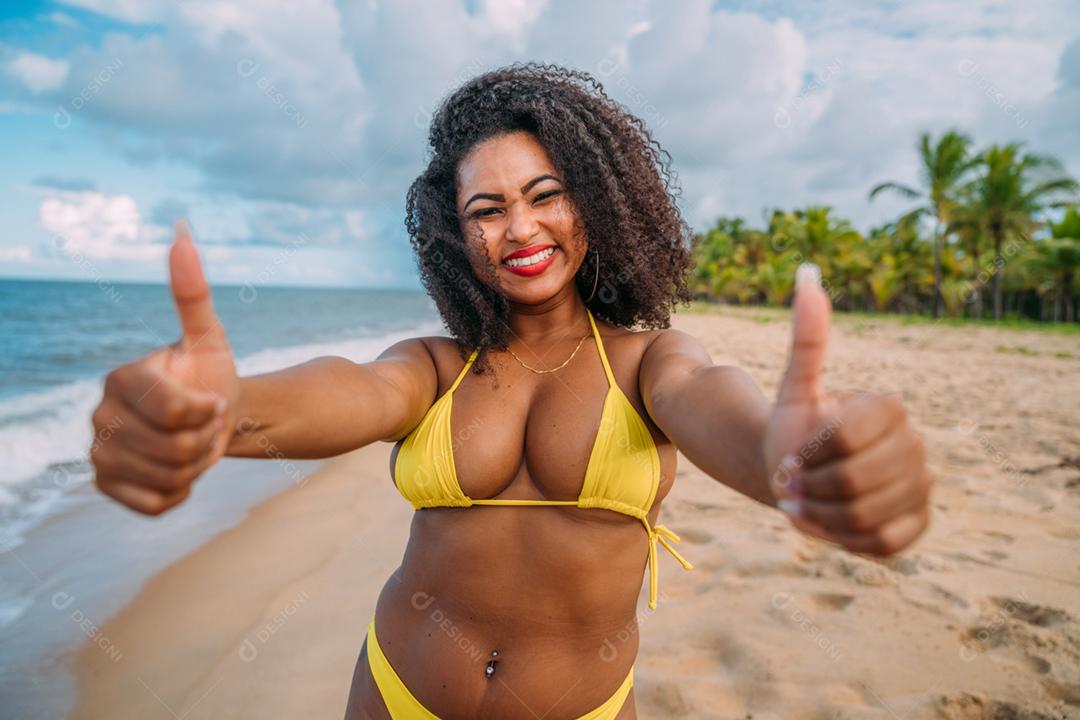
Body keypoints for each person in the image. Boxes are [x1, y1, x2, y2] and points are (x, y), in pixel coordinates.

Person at [89, 64, 932, 719]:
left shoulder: (649, 364)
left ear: (595, 204)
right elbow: (349, 391)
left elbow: (719, 406)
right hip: (395, 689)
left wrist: (793, 461)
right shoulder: (434, 366)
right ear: (457, 236)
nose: (519, 229)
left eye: (546, 195)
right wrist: (219, 412)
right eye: (486, 210)